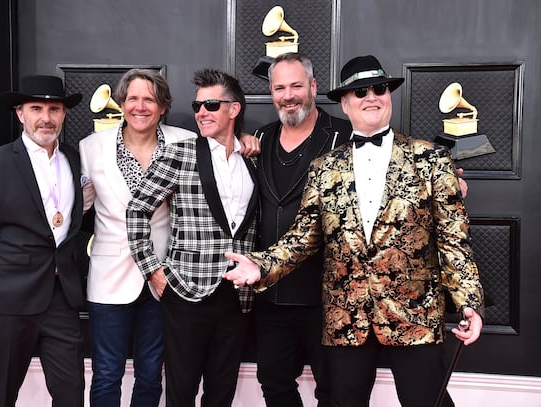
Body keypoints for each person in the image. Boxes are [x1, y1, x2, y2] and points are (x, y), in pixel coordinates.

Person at [224, 55, 485, 407]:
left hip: (414, 314)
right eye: (360, 92)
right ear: (345, 104)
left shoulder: (431, 159)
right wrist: (261, 265)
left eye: (379, 88)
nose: (371, 97)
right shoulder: (324, 168)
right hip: (346, 317)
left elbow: (454, 241)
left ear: (389, 95)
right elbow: (303, 237)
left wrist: (469, 301)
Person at [126, 68, 258, 407]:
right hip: (185, 291)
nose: (201, 112)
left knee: (222, 391)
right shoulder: (180, 153)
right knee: (181, 392)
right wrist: (153, 271)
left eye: (211, 105)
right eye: (198, 106)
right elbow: (137, 210)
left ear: (234, 109)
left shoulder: (253, 161)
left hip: (237, 295)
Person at [0, 75, 86, 407]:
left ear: (64, 114)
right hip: (7, 303)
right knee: (0, 395)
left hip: (61, 300)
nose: (46, 117)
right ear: (20, 114)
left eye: (54, 109)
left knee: (71, 393)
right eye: (36, 108)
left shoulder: (74, 160)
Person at [79, 69, 197, 406]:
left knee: (150, 373)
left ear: (162, 106)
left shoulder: (186, 142)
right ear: (121, 103)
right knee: (106, 374)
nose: (140, 106)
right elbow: (74, 207)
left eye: (150, 99)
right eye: (133, 98)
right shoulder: (91, 147)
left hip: (164, 277)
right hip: (108, 277)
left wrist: (247, 141)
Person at [251, 52, 351, 407]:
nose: (288, 95)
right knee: (274, 384)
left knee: (336, 390)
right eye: (280, 87)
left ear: (313, 87)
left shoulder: (345, 134)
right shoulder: (261, 136)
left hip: (327, 295)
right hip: (272, 293)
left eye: (296, 85)